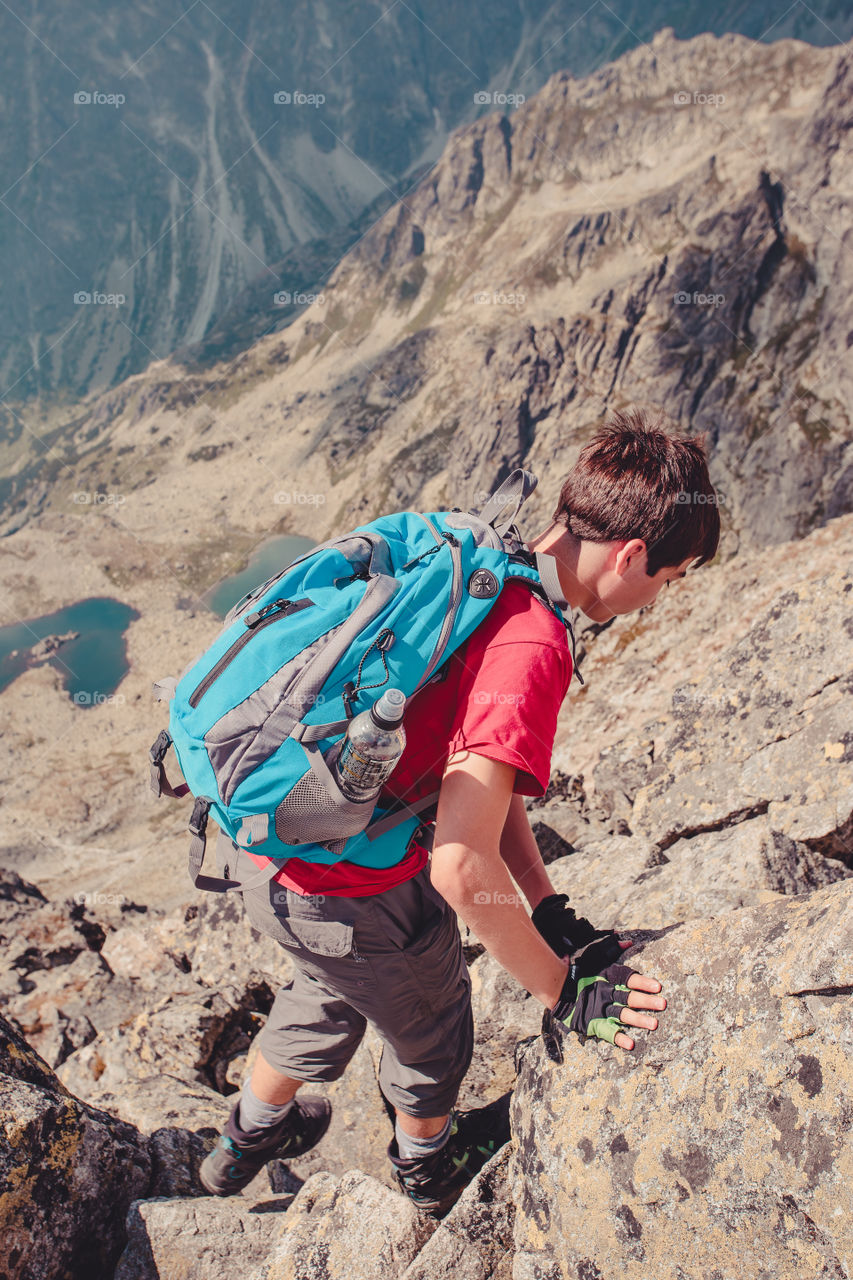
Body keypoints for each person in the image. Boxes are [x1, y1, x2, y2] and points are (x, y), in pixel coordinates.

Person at [199, 407, 721, 1215]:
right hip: (352, 889)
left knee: (326, 989)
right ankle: (428, 1168)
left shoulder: (486, 566)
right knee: (434, 1022)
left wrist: (547, 905)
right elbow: (458, 860)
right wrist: (563, 991)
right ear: (629, 554)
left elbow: (472, 788)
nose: (657, 598)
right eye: (667, 578)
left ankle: (244, 1137)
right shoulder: (534, 643)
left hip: (270, 855)